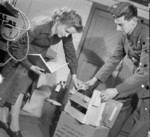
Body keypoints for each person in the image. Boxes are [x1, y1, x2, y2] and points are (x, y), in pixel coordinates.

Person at [0, 7, 83, 137]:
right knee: (18, 89)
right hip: (20, 58)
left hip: (36, 61)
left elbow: (71, 53)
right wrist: (29, 66)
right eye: (66, 31)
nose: (67, 35)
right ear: (59, 21)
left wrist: (74, 76)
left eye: (69, 33)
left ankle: (2, 119)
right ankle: (13, 125)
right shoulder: (39, 26)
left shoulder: (65, 33)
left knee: (19, 89)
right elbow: (16, 46)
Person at [82, 2, 149, 137]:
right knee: (119, 108)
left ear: (134, 20)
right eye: (116, 24)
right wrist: (94, 79)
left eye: (121, 24)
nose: (118, 29)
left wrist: (116, 90)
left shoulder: (147, 36)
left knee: (141, 123)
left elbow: (145, 72)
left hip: (147, 83)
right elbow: (114, 59)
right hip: (136, 80)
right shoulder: (125, 36)